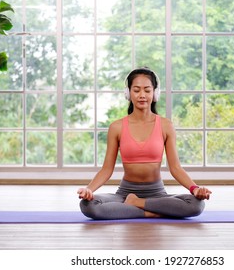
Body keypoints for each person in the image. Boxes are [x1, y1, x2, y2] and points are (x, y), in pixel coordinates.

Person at [77, 67, 211, 219]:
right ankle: (153, 211)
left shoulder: (166, 125)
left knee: (196, 204)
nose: (142, 95)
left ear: (155, 93)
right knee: (88, 206)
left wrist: (195, 189)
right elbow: (107, 169)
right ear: (128, 93)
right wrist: (89, 189)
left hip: (157, 194)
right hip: (125, 194)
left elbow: (175, 168)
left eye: (147, 90)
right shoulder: (117, 127)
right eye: (136, 90)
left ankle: (137, 204)